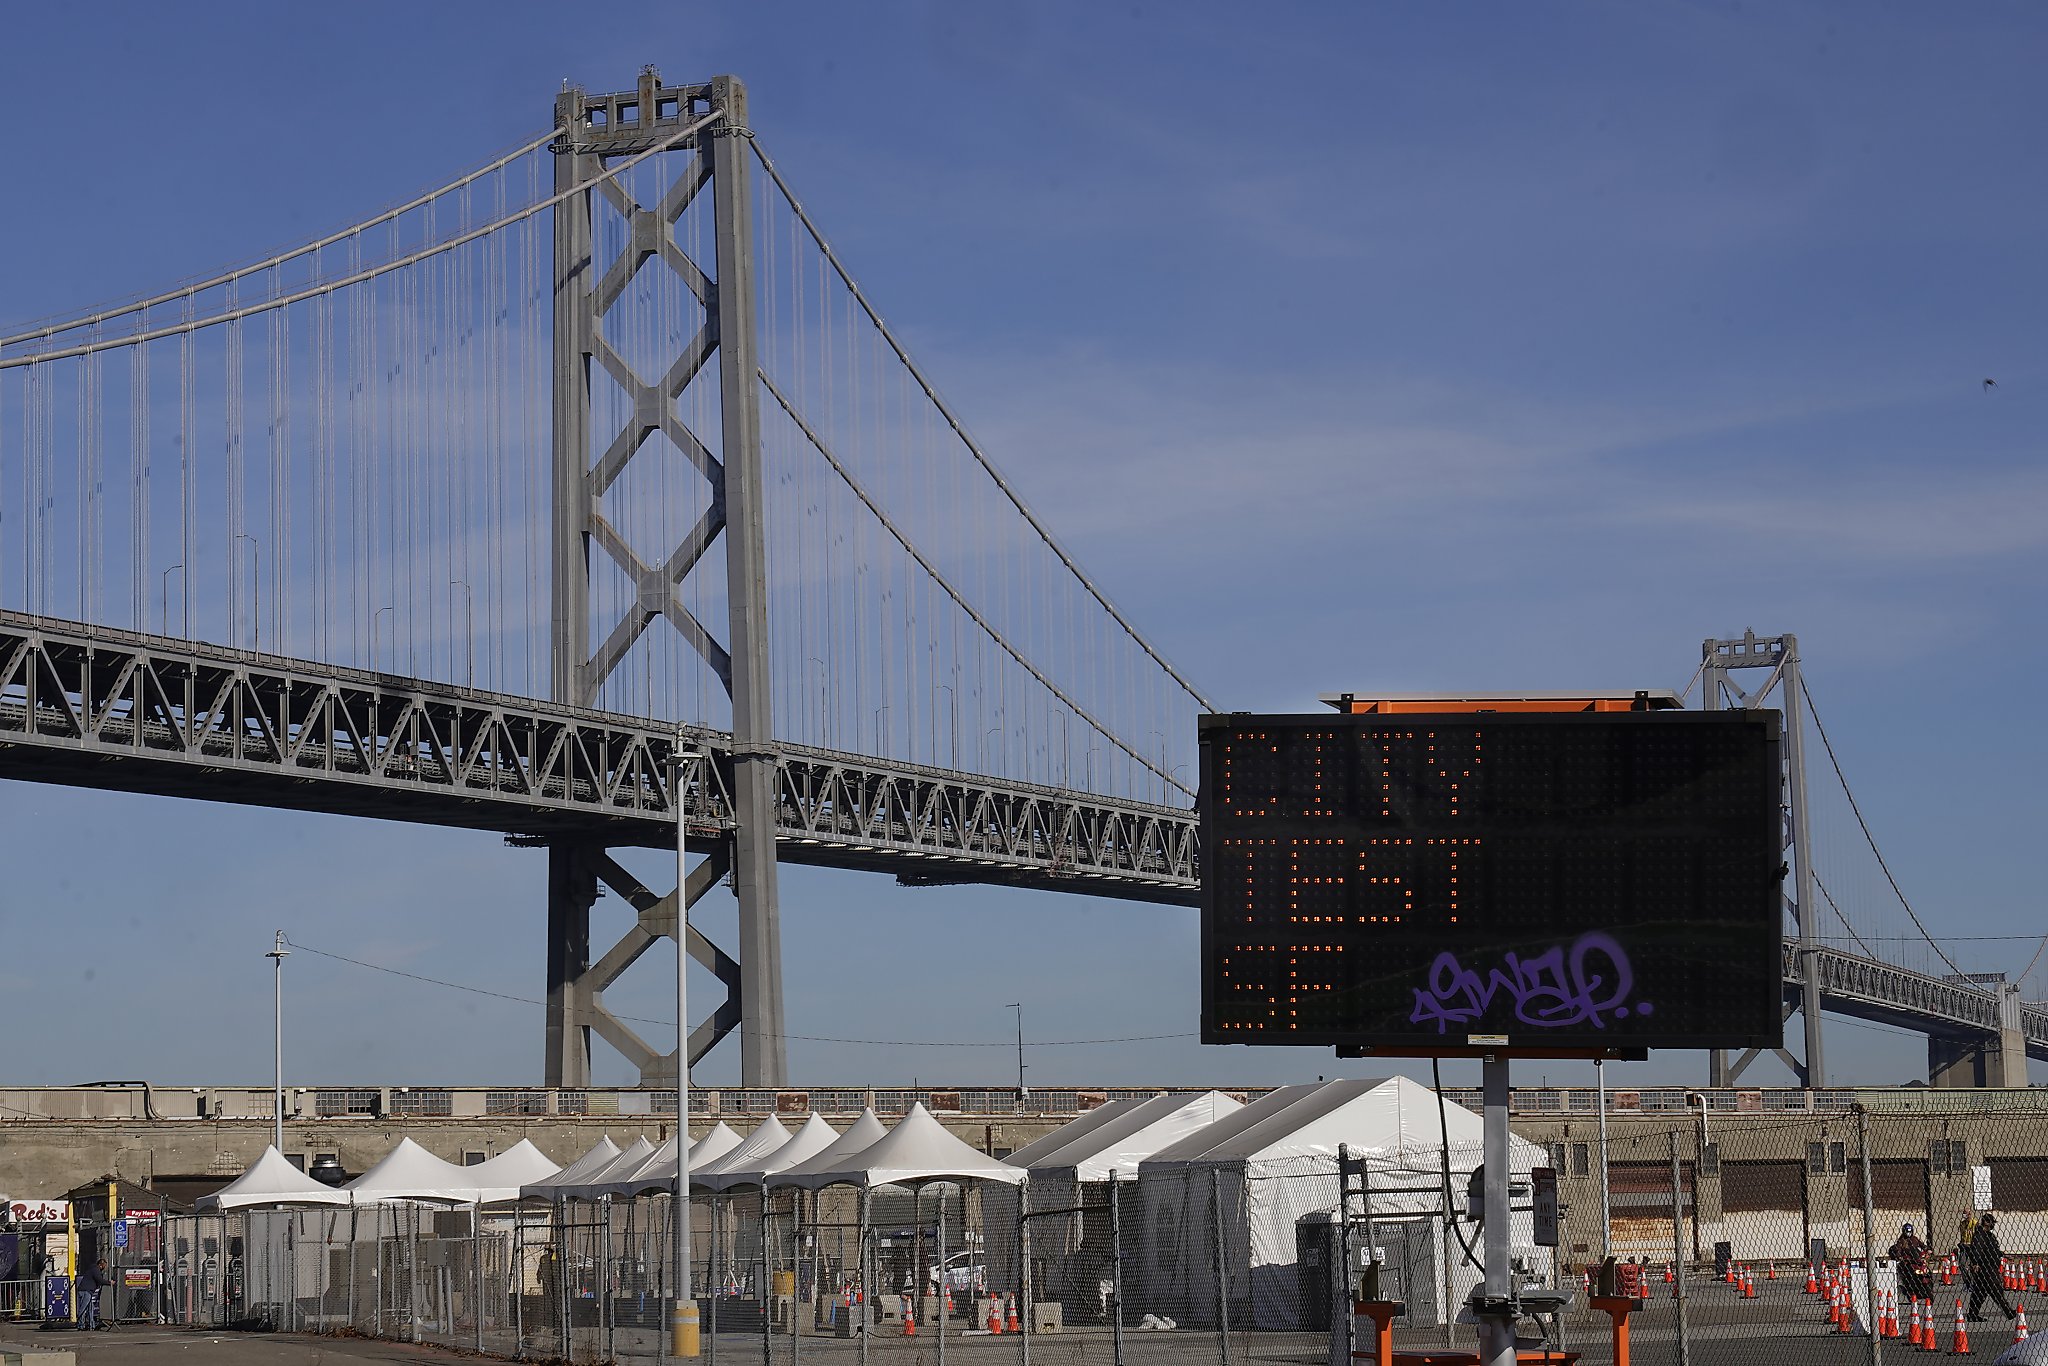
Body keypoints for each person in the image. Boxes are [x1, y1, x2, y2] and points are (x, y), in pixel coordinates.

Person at [1967, 1212, 2015, 1321]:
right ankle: (2009, 1312)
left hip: (1989, 1266)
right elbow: (1976, 1250)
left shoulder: (1988, 1235)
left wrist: (2003, 1255)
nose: (1993, 1224)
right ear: (1986, 1222)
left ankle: (1972, 1314)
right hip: (1986, 1267)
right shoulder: (1980, 1235)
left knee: (1979, 1293)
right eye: (1992, 1222)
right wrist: (1975, 1263)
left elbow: (1993, 1250)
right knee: (1996, 1290)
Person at [1890, 1222, 1931, 1303]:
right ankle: (1910, 1290)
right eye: (1907, 1232)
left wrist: (1927, 1249)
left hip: (1917, 1260)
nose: (1908, 1233)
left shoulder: (1915, 1239)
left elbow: (1922, 1245)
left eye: (1910, 1231)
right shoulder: (1901, 1241)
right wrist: (1900, 1256)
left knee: (1928, 1271)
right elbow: (1898, 1249)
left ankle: (1928, 1287)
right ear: (1904, 1231)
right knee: (1910, 1273)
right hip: (1908, 1262)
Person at [76, 1258, 110, 1331]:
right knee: (84, 1308)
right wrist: (109, 1283)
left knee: (90, 1308)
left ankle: (91, 1325)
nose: (105, 1267)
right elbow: (99, 1280)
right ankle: (80, 1324)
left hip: (87, 1290)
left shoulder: (93, 1269)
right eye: (104, 1265)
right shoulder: (95, 1270)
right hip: (86, 1290)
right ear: (101, 1265)